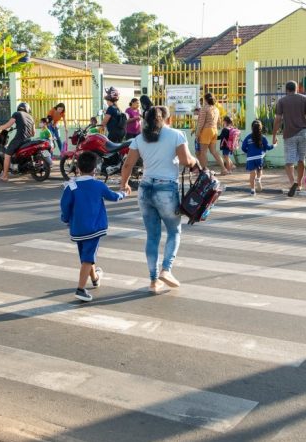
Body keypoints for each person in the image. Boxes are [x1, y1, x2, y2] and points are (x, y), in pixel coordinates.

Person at [119, 105, 199, 294]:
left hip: (145, 189)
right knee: (174, 231)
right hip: (166, 189)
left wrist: (124, 184)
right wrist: (196, 162)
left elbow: (128, 164)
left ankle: (154, 281)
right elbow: (187, 161)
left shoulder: (140, 138)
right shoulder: (176, 135)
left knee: (152, 236)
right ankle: (167, 270)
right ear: (166, 119)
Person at [60, 151, 125, 302]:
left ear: (78, 168)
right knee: (88, 258)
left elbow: (65, 206)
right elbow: (113, 197)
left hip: (77, 228)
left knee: (86, 256)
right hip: (94, 228)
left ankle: (95, 278)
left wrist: (66, 219)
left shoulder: (71, 186)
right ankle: (80, 289)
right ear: (95, 169)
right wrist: (124, 193)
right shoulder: (98, 185)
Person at [272, 81, 306, 197]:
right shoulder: (304, 98)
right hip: (303, 133)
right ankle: (300, 184)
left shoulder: (282, 101)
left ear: (286, 90)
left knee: (289, 162)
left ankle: (293, 182)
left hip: (289, 135)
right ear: (297, 89)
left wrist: (274, 136)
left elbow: (277, 120)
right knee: (301, 160)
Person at [0, 102, 35, 181]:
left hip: (19, 139)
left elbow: (8, 125)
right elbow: (33, 133)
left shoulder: (17, 114)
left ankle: (5, 176)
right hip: (28, 140)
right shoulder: (31, 117)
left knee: (7, 155)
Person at [195, 93, 227, 174]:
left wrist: (197, 133)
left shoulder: (204, 109)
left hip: (206, 131)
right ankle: (224, 169)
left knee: (203, 152)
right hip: (214, 130)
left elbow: (201, 123)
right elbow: (219, 122)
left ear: (205, 100)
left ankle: (205, 171)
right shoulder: (216, 109)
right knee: (214, 151)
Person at [241, 120, 275, 196]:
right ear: (261, 128)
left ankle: (253, 191)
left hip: (250, 158)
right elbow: (268, 147)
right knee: (259, 171)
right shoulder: (263, 137)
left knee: (252, 173)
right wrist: (274, 145)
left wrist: (248, 152)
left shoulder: (248, 137)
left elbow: (243, 148)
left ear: (252, 128)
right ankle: (258, 179)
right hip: (259, 157)